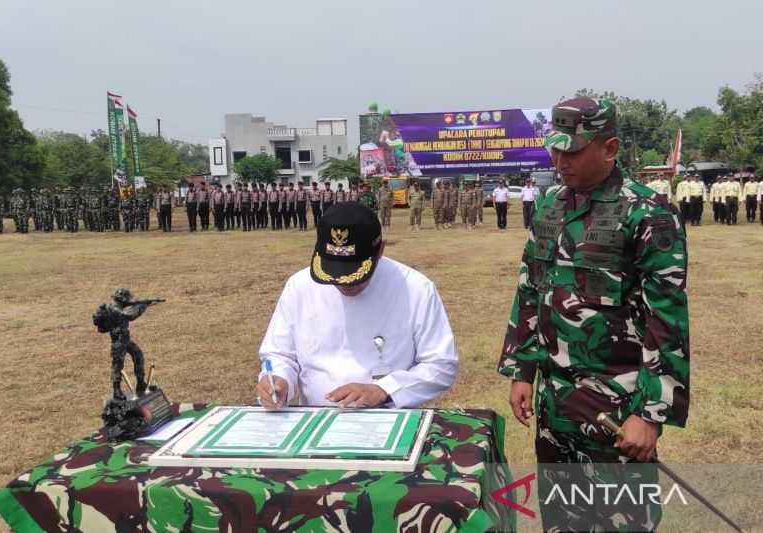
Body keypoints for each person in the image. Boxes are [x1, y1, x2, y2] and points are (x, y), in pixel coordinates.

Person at [498, 97, 689, 532]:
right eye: (556, 149)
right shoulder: (549, 205)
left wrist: (651, 413)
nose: (560, 160)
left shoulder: (648, 214)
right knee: (561, 520)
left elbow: (668, 322)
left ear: (609, 147)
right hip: (555, 407)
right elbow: (531, 289)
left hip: (616, 411)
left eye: (573, 150)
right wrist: (523, 370)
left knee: (621, 522)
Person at [257, 202, 459, 409]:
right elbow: (280, 353)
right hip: (316, 418)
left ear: (380, 250)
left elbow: (440, 365)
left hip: (387, 419)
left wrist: (384, 390)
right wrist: (278, 379)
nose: (343, 283)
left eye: (354, 276)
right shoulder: (299, 286)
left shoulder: (415, 289)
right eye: (334, 275)